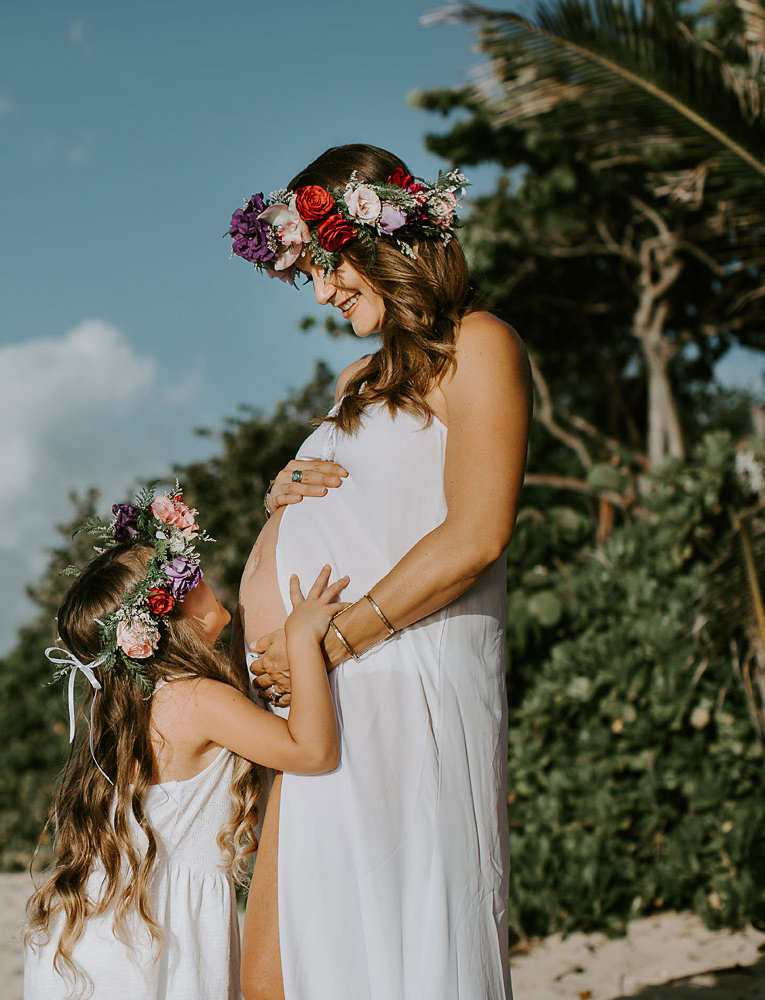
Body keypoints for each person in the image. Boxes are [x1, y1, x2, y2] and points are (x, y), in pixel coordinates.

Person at [227, 143, 530, 998]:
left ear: (380, 239)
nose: (322, 293)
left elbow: (477, 532)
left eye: (326, 268)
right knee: (273, 978)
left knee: (391, 957)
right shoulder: (359, 377)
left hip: (400, 681)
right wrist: (279, 504)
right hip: (323, 695)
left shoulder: (479, 345)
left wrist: (330, 641)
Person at [23, 484, 349, 999]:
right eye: (182, 575)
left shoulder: (140, 707)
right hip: (158, 929)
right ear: (166, 615)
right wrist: (305, 638)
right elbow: (313, 752)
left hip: (111, 923)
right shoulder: (195, 699)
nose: (197, 570)